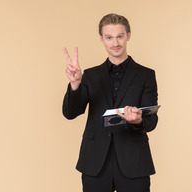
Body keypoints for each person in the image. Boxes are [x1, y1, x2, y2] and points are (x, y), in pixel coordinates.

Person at [62, 13, 158, 192]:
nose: (115, 43)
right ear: (102, 39)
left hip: (134, 160)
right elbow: (70, 113)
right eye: (109, 37)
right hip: (95, 161)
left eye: (120, 36)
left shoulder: (146, 75)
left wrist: (137, 120)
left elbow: (151, 121)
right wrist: (75, 84)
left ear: (128, 36)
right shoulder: (90, 76)